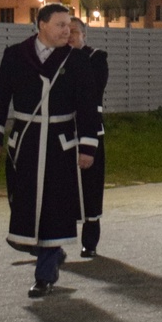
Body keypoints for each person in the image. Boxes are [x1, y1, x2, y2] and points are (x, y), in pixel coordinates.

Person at [0, 3, 101, 298]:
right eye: (61, 25)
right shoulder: (15, 55)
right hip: (25, 142)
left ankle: (45, 275)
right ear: (42, 25)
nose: (67, 31)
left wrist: (87, 146)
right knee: (22, 204)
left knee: (53, 208)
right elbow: (0, 96)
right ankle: (49, 249)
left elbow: (88, 107)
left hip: (60, 145)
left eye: (69, 26)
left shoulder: (77, 61)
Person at [69, 17, 108, 257]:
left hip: (91, 131)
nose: (69, 35)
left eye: (74, 31)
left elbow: (94, 90)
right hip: (63, 132)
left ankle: (90, 241)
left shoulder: (96, 58)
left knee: (91, 186)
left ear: (84, 35)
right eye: (65, 31)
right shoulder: (56, 59)